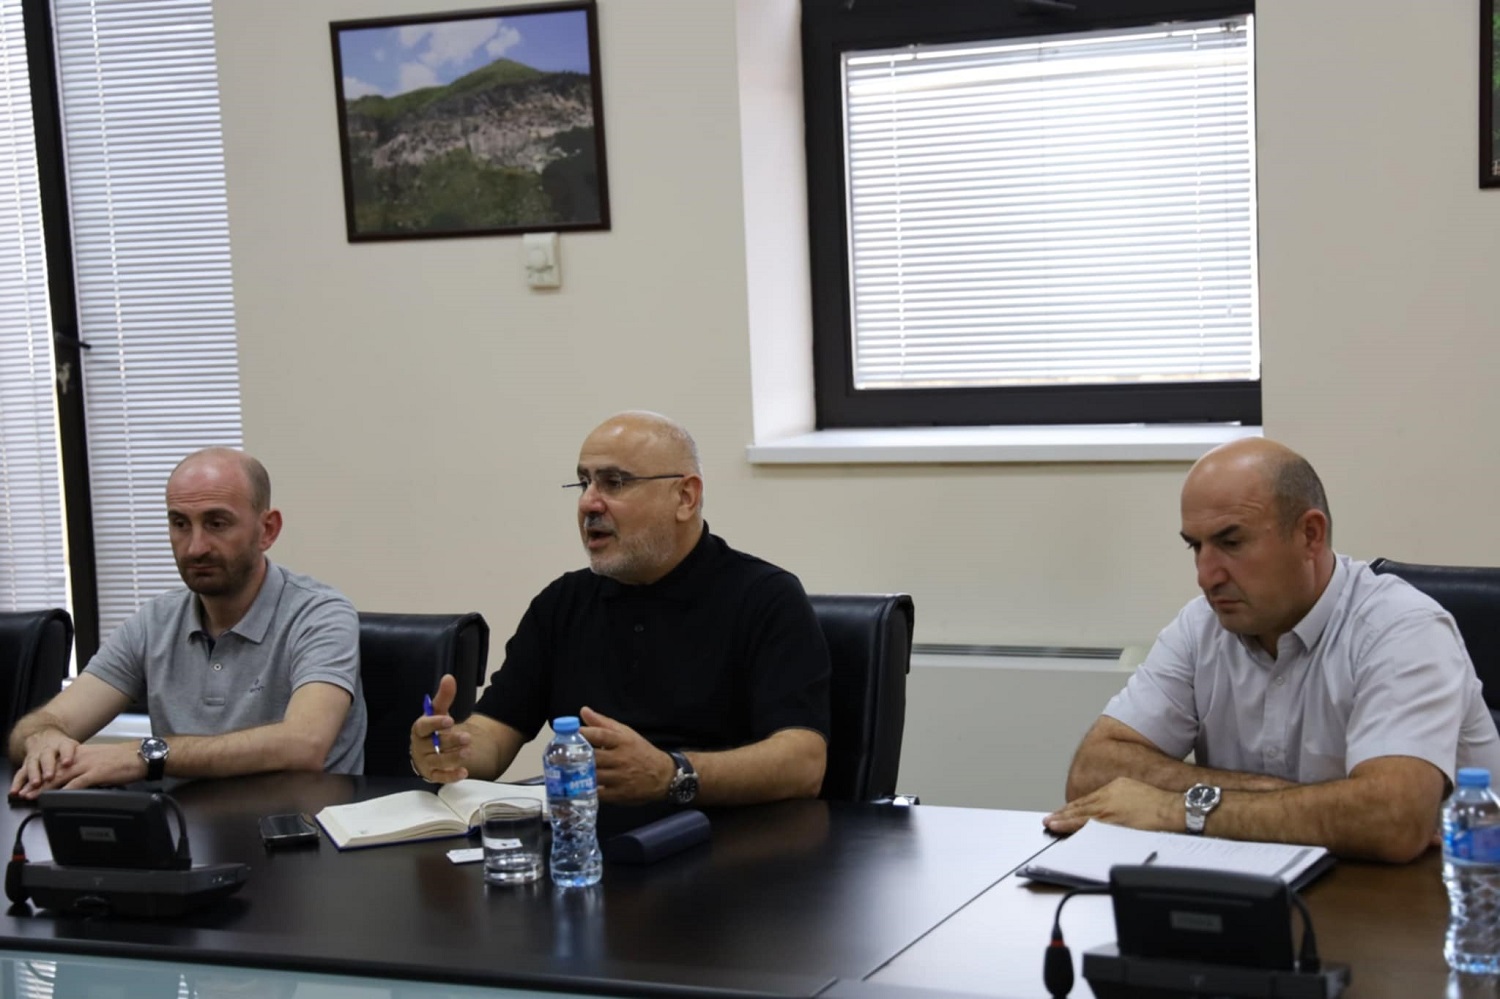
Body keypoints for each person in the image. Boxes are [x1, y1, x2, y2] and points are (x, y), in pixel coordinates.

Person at [1044, 438, 1500, 862]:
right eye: (1195, 546)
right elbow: (1092, 774)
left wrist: (1176, 808)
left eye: (1231, 542)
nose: (1206, 575)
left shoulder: (1402, 628)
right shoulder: (1201, 626)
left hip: (1443, 904)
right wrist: (1295, 800)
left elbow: (1392, 820)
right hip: (1267, 890)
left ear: (1310, 535)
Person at [412, 411, 830, 806]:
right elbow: (495, 731)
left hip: (728, 837)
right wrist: (450, 748)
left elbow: (803, 762)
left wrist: (672, 774)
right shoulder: (562, 602)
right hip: (587, 835)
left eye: (614, 483)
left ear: (685, 497)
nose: (589, 503)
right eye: (584, 483)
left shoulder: (765, 597)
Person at [8, 448, 367, 797]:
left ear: (267, 530)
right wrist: (44, 740)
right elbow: (41, 725)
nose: (195, 547)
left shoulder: (319, 614)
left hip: (300, 830)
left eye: (217, 523)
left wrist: (144, 755)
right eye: (180, 524)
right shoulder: (155, 622)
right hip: (184, 830)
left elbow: (305, 744)